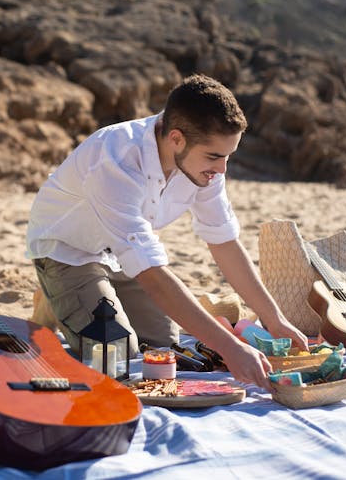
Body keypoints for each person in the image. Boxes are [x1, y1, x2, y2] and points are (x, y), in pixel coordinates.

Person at [26, 74, 307, 391]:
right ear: (176, 138)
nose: (223, 169)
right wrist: (230, 347)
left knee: (161, 346)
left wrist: (275, 319)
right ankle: (57, 293)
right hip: (67, 251)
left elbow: (225, 242)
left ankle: (69, 300)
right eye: (215, 156)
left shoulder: (203, 166)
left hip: (120, 257)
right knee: (118, 356)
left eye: (228, 156)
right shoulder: (117, 160)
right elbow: (154, 278)